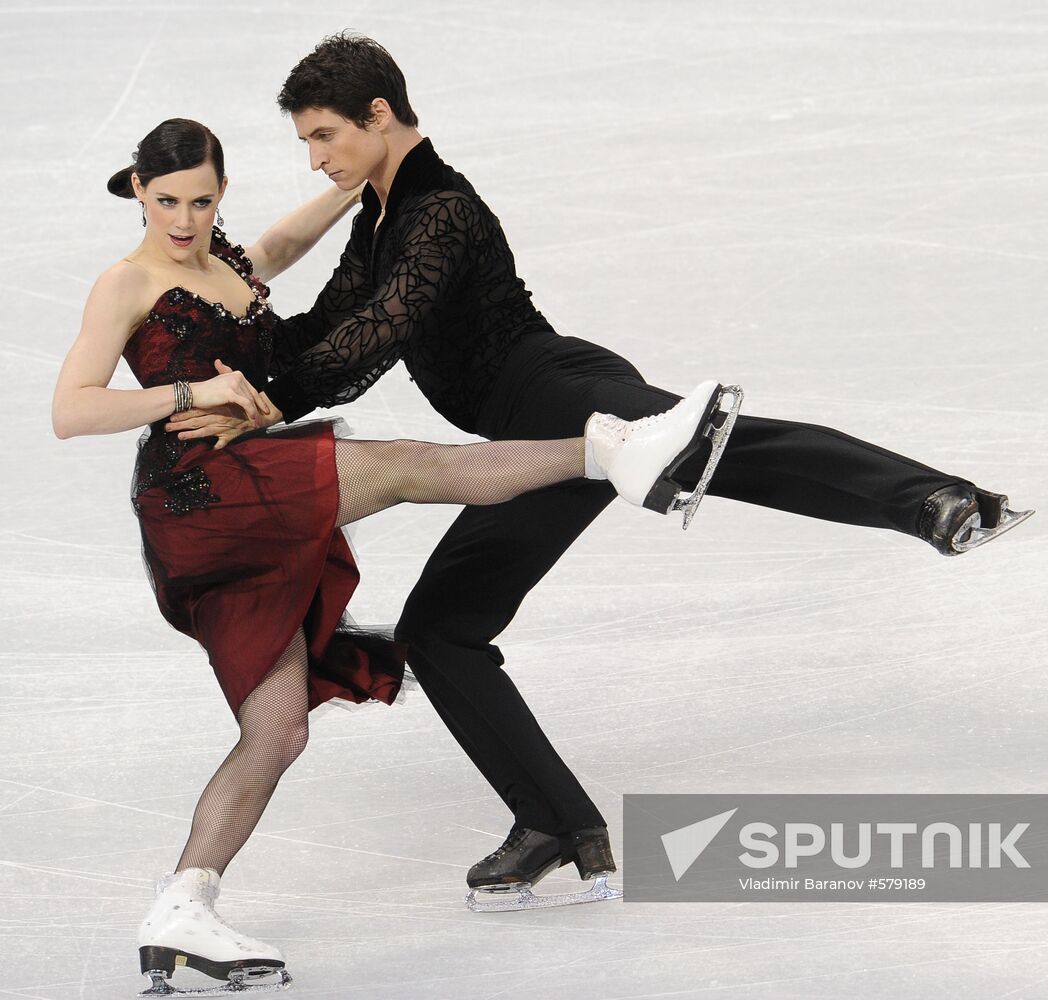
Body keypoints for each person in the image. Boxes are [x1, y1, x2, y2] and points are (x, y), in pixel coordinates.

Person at [167, 32, 1033, 910]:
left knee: (714, 450)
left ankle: (933, 500)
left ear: (378, 116)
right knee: (443, 631)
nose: (315, 159)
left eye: (323, 136)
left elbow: (378, 335)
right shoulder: (383, 215)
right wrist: (234, 362)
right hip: (520, 437)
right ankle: (554, 824)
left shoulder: (440, 211)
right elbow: (327, 328)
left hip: (553, 391)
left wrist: (268, 402)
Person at [51, 118, 731, 993]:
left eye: (202, 199)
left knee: (278, 728)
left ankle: (182, 908)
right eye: (167, 199)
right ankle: (616, 449)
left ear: (220, 196)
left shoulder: (226, 263)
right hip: (201, 491)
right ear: (139, 191)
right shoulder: (127, 280)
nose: (182, 218)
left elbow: (280, 244)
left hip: (240, 508)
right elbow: (70, 410)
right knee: (413, 467)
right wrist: (192, 390)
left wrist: (355, 182)